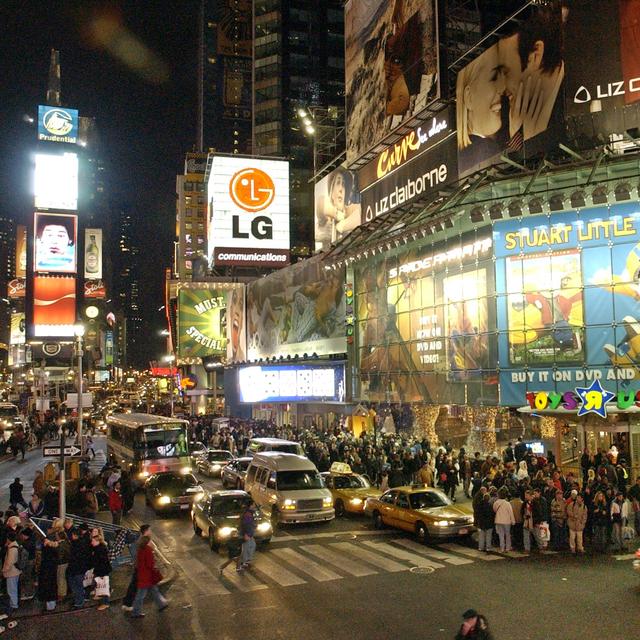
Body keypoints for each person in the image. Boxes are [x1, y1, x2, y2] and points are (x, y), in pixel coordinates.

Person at [131, 533, 169, 618]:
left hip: (143, 575)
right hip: (147, 576)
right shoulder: (148, 550)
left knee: (154, 590)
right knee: (141, 595)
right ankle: (136, 612)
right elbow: (150, 564)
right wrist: (154, 566)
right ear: (147, 542)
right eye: (150, 541)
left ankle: (161, 604)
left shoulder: (140, 549)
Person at [122, 524, 151, 613]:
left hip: (140, 568)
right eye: (149, 530)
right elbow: (139, 556)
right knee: (138, 588)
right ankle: (132, 608)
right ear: (146, 531)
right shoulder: (142, 541)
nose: (151, 532)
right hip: (141, 568)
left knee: (135, 586)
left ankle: (128, 604)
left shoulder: (142, 539)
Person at [67, 528, 89, 609]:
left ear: (74, 535)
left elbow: (73, 558)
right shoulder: (84, 544)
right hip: (80, 570)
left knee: (76, 587)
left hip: (75, 570)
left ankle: (79, 603)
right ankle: (79, 600)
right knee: (79, 586)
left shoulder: (74, 545)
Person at [90, 530, 111, 611]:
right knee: (97, 583)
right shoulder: (99, 547)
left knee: (103, 587)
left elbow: (99, 561)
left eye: (93, 541)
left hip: (102, 571)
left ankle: (105, 603)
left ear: (97, 541)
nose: (91, 542)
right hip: (100, 570)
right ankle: (98, 594)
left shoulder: (100, 550)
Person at [37, 533, 59, 611]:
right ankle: (51, 605)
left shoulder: (48, 549)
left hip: (47, 571)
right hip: (51, 570)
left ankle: (50, 606)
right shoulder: (54, 549)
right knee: (51, 587)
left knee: (48, 588)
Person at [2, 532, 21, 615]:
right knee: (14, 588)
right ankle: (14, 603)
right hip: (15, 571)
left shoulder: (12, 549)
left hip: (11, 572)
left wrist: (3, 570)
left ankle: (13, 605)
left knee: (11, 590)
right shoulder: (15, 546)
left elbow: (9, 563)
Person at [493, 489, 515, 553]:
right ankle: (508, 547)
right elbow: (511, 513)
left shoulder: (496, 503)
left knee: (501, 535)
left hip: (498, 520)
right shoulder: (507, 503)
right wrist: (513, 521)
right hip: (507, 521)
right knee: (507, 534)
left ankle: (502, 548)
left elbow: (494, 510)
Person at [237, 501, 257, 572]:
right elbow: (246, 525)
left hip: (249, 534)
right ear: (250, 506)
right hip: (247, 534)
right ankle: (243, 563)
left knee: (252, 545)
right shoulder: (248, 514)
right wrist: (246, 534)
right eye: (254, 505)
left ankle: (246, 561)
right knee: (246, 548)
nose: (255, 506)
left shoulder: (249, 513)